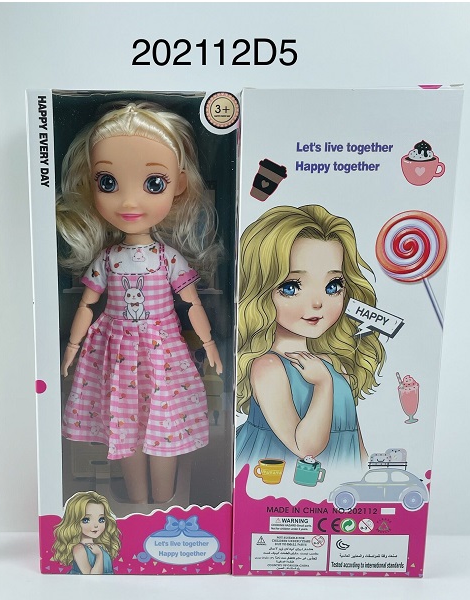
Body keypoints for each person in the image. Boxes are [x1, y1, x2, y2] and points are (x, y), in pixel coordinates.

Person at [56, 102, 223, 504]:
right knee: (124, 430)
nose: (130, 202)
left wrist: (210, 343)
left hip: (161, 352)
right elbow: (87, 306)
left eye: (153, 183)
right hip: (114, 354)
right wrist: (72, 347)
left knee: (164, 426)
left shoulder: (167, 258)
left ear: (178, 184)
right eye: (108, 182)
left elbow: (191, 303)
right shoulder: (108, 259)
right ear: (90, 185)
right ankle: (137, 502)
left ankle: (163, 504)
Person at [235, 205, 385, 472]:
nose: (317, 303)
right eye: (291, 287)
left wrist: (367, 475)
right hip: (281, 482)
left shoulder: (332, 362)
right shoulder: (269, 367)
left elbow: (354, 437)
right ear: (261, 290)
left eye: (333, 286)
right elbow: (305, 448)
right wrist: (323, 384)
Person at [52, 491, 120, 574]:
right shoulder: (79, 549)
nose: (96, 525)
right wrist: (99, 555)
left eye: (101, 519)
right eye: (86, 520)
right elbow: (91, 576)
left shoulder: (99, 546)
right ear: (74, 522)